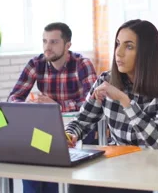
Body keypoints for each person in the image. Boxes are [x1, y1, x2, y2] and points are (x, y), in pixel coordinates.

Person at [65, 19, 158, 193]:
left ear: (146, 53)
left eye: (129, 47)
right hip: (117, 165)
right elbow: (82, 121)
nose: (118, 53)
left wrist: (125, 101)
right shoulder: (106, 80)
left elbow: (157, 140)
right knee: (78, 185)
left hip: (154, 170)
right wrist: (70, 134)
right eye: (117, 44)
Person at [8, 22, 98, 193]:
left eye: (54, 42)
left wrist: (57, 106)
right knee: (31, 161)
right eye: (44, 41)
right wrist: (28, 106)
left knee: (62, 164)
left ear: (67, 45)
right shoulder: (36, 64)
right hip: (49, 130)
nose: (47, 47)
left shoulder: (82, 64)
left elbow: (92, 105)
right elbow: (13, 97)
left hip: (80, 132)